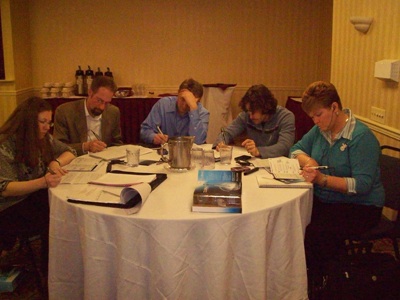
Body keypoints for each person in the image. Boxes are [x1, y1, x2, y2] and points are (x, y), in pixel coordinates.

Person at [289, 81, 384, 279]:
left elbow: (362, 185)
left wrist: (322, 179)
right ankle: (308, 277)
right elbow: (295, 149)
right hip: (327, 199)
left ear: (334, 107)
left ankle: (326, 281)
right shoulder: (320, 130)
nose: (315, 121)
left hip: (361, 206)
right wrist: (309, 160)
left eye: (318, 114)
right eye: (311, 116)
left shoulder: (360, 137)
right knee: (292, 219)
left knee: (315, 232)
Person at [0, 97, 76, 263]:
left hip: (31, 196)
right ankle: (50, 265)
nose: (46, 127)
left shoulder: (42, 137)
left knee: (63, 206)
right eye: (42, 122)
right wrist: (44, 182)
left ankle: (59, 261)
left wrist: (55, 162)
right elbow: (5, 188)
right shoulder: (5, 143)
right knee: (56, 214)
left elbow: (70, 151)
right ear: (27, 121)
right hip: (9, 207)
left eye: (49, 123)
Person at [213, 84, 295, 158]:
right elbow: (227, 133)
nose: (250, 116)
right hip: (256, 162)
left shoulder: (285, 116)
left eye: (254, 111)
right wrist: (221, 143)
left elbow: (284, 146)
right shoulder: (246, 115)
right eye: (249, 111)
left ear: (266, 107)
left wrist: (258, 151)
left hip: (279, 164)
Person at [53, 75, 123, 156]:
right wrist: (85, 147)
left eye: (107, 103)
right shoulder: (65, 112)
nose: (102, 107)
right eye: (99, 100)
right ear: (90, 92)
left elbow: (117, 143)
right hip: (75, 161)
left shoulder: (113, 112)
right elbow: (58, 147)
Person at [140, 78, 209, 145]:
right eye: (183, 99)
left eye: (190, 102)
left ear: (198, 101)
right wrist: (153, 137)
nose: (185, 105)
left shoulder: (202, 113)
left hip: (188, 154)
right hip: (164, 153)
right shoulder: (163, 105)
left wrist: (193, 109)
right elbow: (145, 130)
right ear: (178, 93)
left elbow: (199, 141)